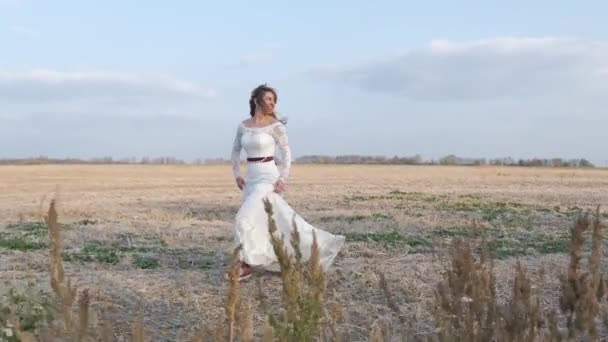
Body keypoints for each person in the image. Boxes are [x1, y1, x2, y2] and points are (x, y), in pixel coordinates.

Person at [231, 84, 345, 280]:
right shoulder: (243, 125)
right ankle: (292, 251)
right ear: (256, 100)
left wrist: (283, 178)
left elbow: (286, 153)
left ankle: (245, 263)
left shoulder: (276, 126)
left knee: (244, 218)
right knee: (268, 220)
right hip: (251, 178)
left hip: (268, 176)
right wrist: (237, 174)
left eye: (274, 100)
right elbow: (235, 151)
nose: (272, 103)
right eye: (268, 99)